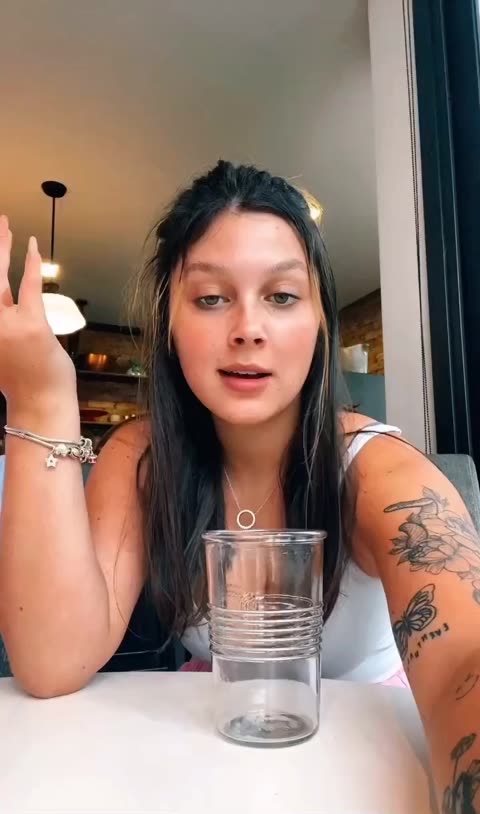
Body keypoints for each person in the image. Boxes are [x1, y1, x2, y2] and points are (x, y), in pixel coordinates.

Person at [0, 161, 479, 810]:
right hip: (210, 759)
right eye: (210, 298)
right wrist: (40, 400)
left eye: (281, 296)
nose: (248, 328)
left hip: (366, 759)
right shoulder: (142, 458)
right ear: (169, 320)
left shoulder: (379, 472)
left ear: (320, 321)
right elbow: (51, 663)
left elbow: (464, 663)